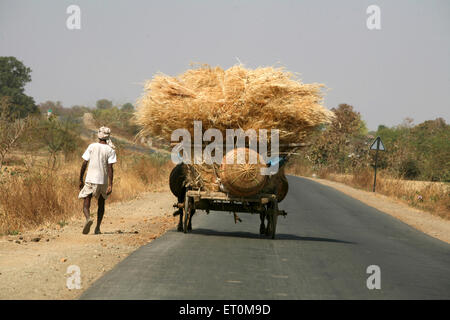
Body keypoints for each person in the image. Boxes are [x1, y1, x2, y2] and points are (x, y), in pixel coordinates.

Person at [78, 126, 117, 234]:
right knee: (101, 203)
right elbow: (110, 168)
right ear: (108, 136)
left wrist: (80, 178)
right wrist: (110, 184)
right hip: (103, 181)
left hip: (91, 178)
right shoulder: (110, 150)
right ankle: (98, 228)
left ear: (99, 135)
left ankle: (88, 218)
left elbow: (84, 163)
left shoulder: (92, 146)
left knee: (87, 200)